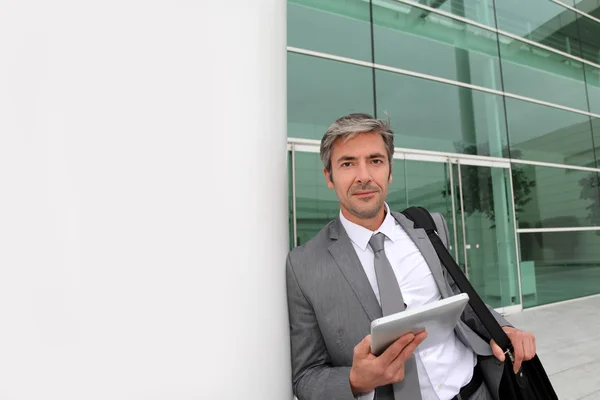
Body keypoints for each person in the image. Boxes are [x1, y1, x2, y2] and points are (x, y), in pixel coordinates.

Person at [285, 113, 537, 400]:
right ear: (329, 176)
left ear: (390, 171)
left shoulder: (429, 227)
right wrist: (354, 381)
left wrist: (503, 328)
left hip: (476, 392)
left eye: (375, 160)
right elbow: (306, 376)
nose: (364, 176)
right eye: (347, 163)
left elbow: (460, 298)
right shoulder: (303, 266)